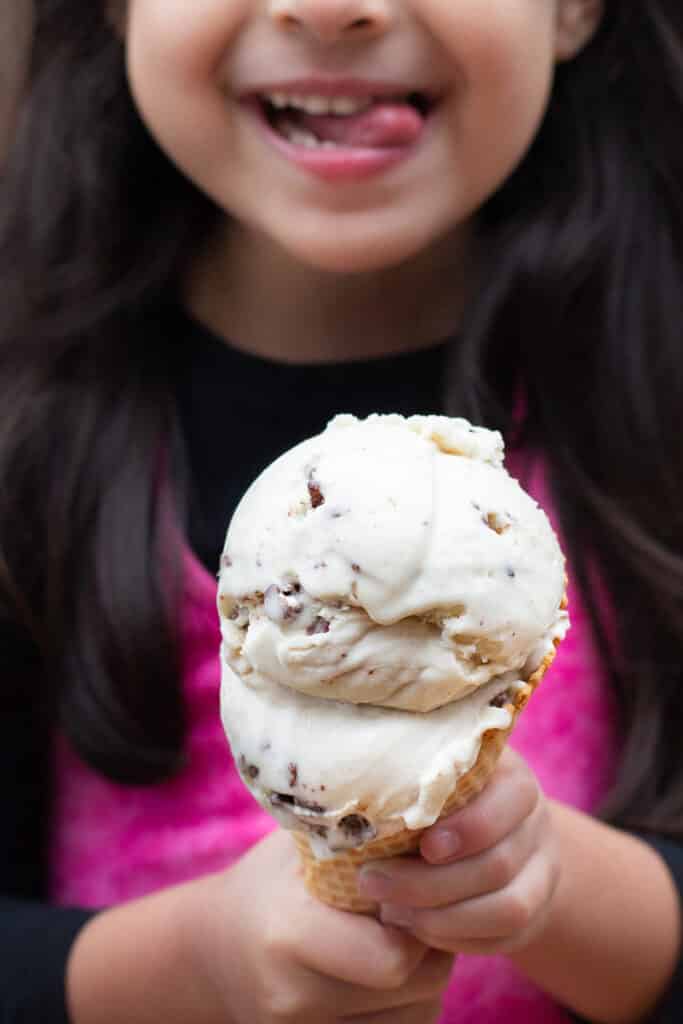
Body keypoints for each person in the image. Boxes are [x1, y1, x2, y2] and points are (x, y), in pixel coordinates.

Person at [1, 0, 682, 1021]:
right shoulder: (24, 432)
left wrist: (549, 886)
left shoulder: (654, 411)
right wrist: (192, 967)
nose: (327, 6)